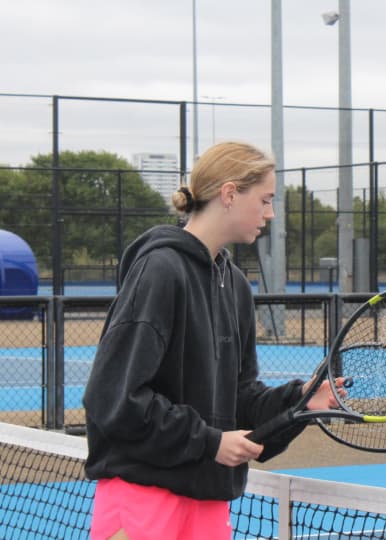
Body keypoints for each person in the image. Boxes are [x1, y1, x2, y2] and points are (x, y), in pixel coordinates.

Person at [83, 141, 341, 540]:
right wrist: (208, 442)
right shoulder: (159, 270)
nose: (270, 214)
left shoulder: (235, 285)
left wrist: (300, 400)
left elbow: (237, 401)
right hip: (144, 498)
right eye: (265, 200)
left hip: (208, 500)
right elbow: (114, 398)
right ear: (230, 193)